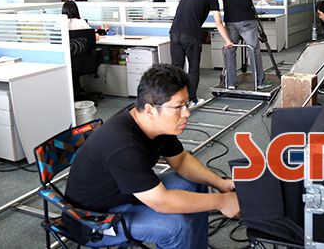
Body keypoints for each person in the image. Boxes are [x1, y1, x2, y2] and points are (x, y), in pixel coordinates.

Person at [65, 64, 239, 248]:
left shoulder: (154, 122)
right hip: (92, 220)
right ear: (150, 110)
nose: (187, 113)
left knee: (195, 183)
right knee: (175, 228)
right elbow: (161, 202)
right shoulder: (123, 144)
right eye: (178, 107)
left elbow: (181, 160)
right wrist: (221, 202)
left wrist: (220, 183)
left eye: (186, 104)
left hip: (127, 194)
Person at [169, 0, 233, 106]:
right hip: (191, 34)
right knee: (193, 67)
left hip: (174, 33)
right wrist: (228, 40)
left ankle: (175, 100)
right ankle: (192, 100)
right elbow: (218, 22)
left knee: (177, 68)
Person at [216, 0, 273, 90]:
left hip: (230, 18)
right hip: (246, 18)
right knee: (253, 50)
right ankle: (259, 82)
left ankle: (230, 83)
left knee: (230, 50)